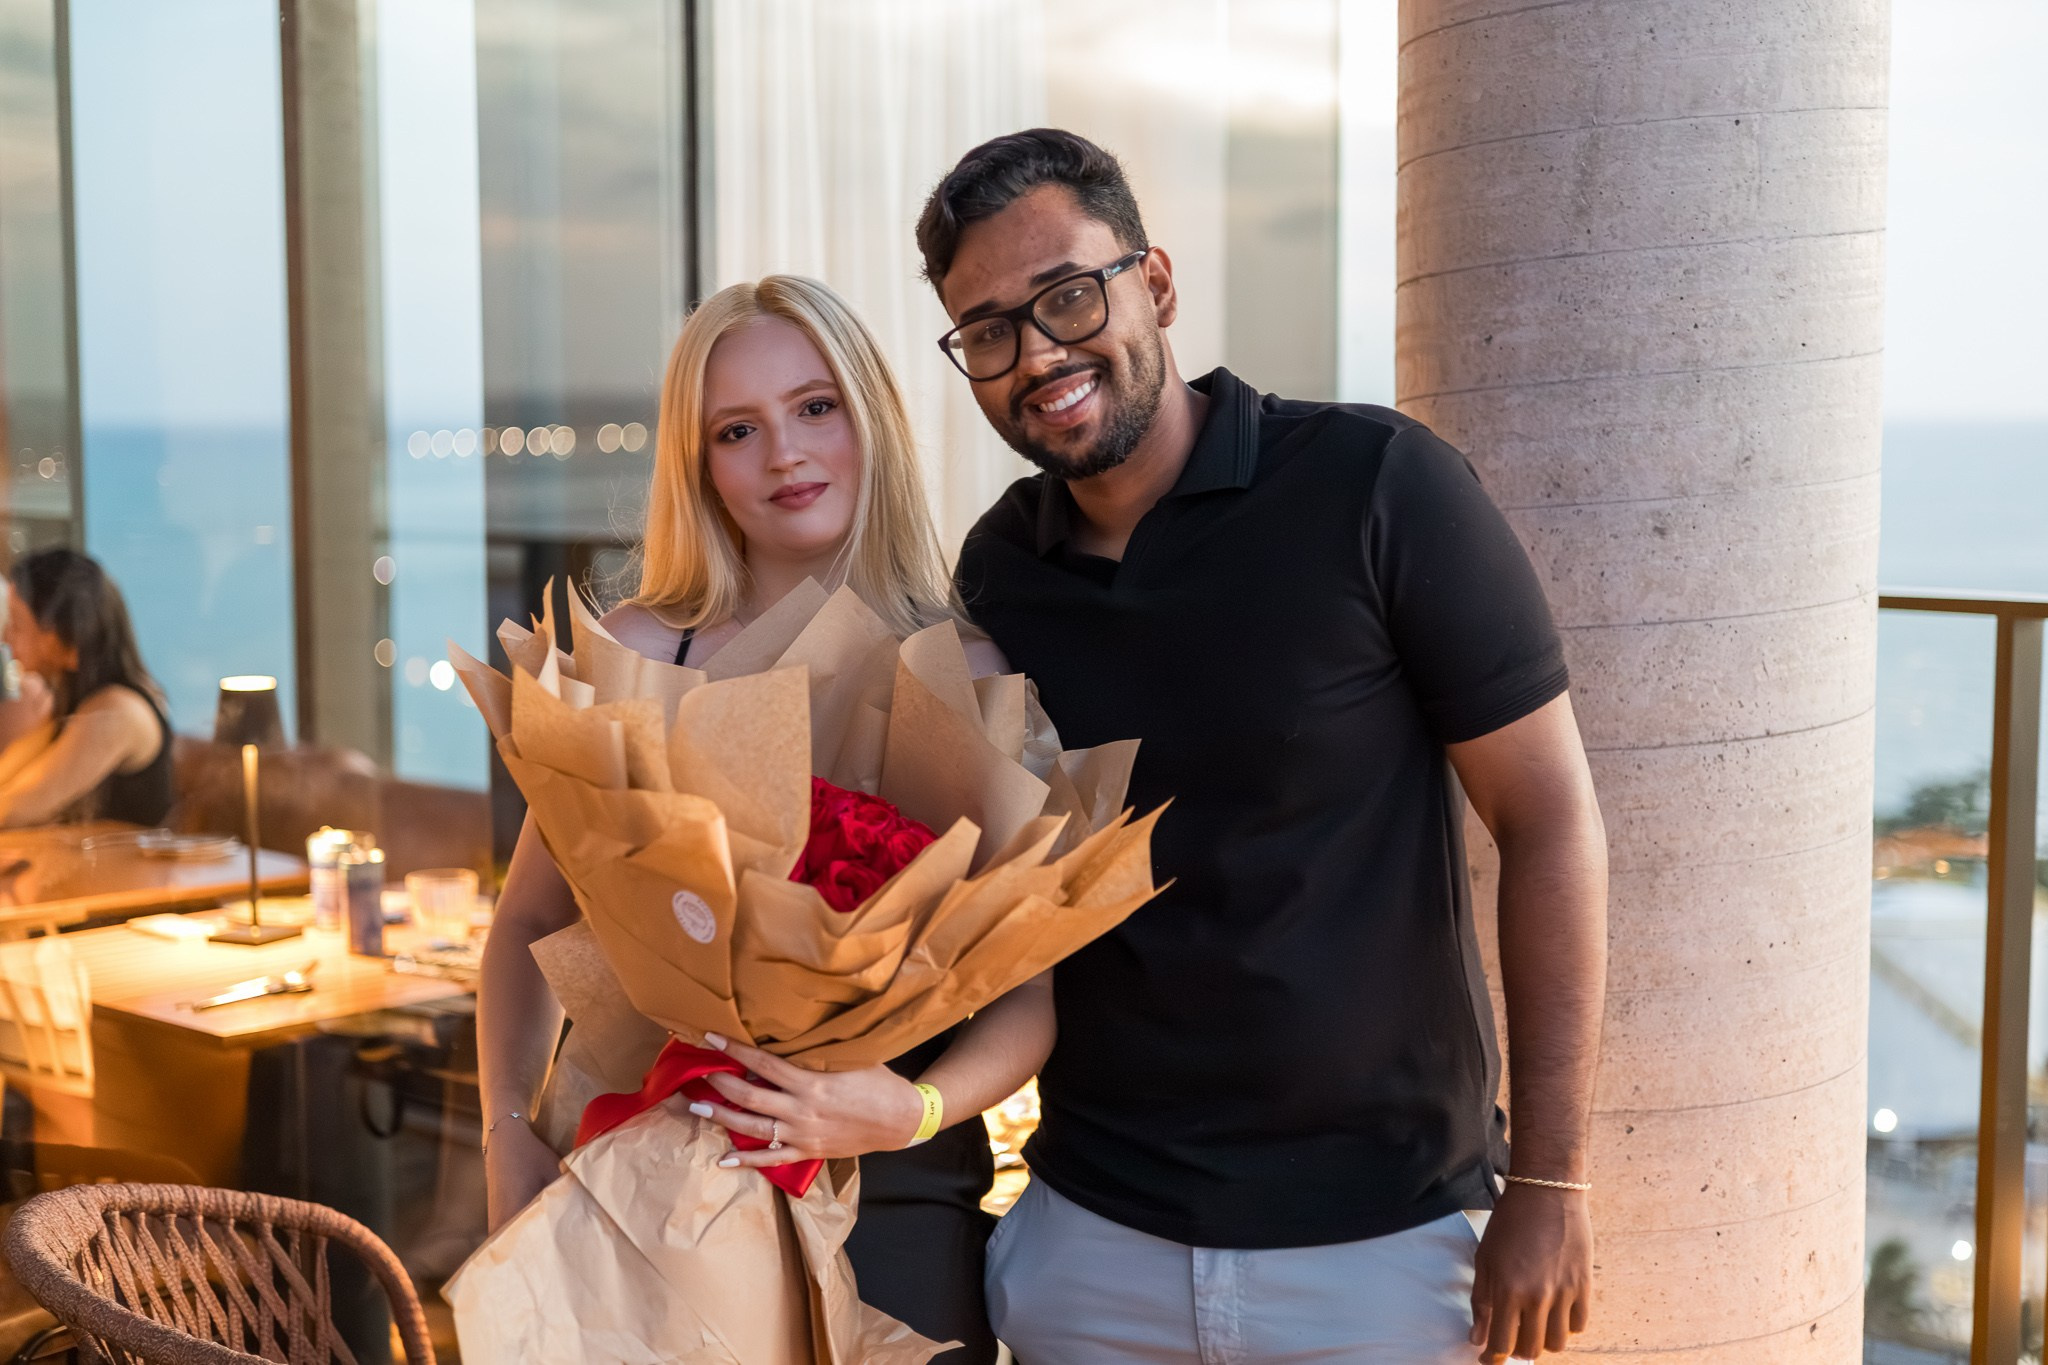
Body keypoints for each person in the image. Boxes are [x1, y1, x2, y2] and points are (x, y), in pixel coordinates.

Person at [713, 128, 1609, 1363]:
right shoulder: (996, 578)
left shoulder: (1376, 487)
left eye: (1068, 295)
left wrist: (1550, 1187)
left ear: (1158, 284)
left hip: (1379, 1251)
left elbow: (1548, 816)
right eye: (988, 331)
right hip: (1091, 1242)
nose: (1039, 353)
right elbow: (988, 907)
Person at [476, 274, 1048, 1365]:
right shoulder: (641, 656)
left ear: (869, 414)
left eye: (813, 407)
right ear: (700, 468)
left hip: (896, 1199)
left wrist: (909, 1112)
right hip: (640, 1181)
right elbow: (526, 924)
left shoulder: (967, 675)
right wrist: (507, 1131)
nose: (783, 453)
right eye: (737, 429)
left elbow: (1028, 997)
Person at [0, 549, 172, 828]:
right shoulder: (72, 704)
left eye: (17, 625)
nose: (6, 637)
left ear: (61, 637)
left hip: (124, 872)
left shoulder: (118, 711)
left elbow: (16, 807)